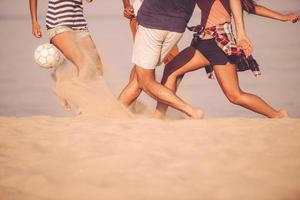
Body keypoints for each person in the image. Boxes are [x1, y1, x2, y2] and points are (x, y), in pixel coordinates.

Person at [155, 0, 299, 118]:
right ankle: (159, 116)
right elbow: (250, 6)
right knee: (171, 70)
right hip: (202, 41)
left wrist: (281, 17)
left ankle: (278, 115)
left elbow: (246, 5)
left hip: (220, 43)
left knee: (234, 95)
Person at [118, 0, 252, 119]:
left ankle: (191, 111)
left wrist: (129, 7)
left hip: (152, 21)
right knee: (140, 74)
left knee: (145, 81)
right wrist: (241, 33)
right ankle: (118, 112)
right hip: (177, 27)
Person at [29, 0, 103, 109]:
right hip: (58, 24)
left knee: (97, 69)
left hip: (80, 25)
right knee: (84, 65)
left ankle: (63, 83)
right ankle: (82, 107)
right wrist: (34, 21)